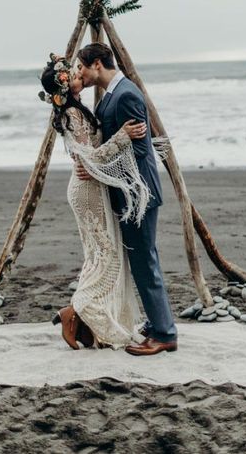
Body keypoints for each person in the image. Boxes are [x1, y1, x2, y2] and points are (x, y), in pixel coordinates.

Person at [39, 53, 150, 350]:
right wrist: (123, 136)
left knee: (97, 257)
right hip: (87, 191)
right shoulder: (73, 114)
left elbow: (88, 156)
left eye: (78, 69)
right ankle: (73, 311)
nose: (79, 74)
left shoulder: (78, 109)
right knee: (109, 260)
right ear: (66, 87)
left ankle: (82, 322)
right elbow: (90, 161)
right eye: (73, 74)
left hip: (90, 188)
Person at [75, 43, 177, 356]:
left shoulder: (127, 94)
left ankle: (164, 334)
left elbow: (141, 150)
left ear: (96, 64)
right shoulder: (110, 96)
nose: (80, 73)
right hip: (126, 193)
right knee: (141, 261)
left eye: (81, 67)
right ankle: (157, 322)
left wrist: (98, 168)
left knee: (145, 263)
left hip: (138, 193)